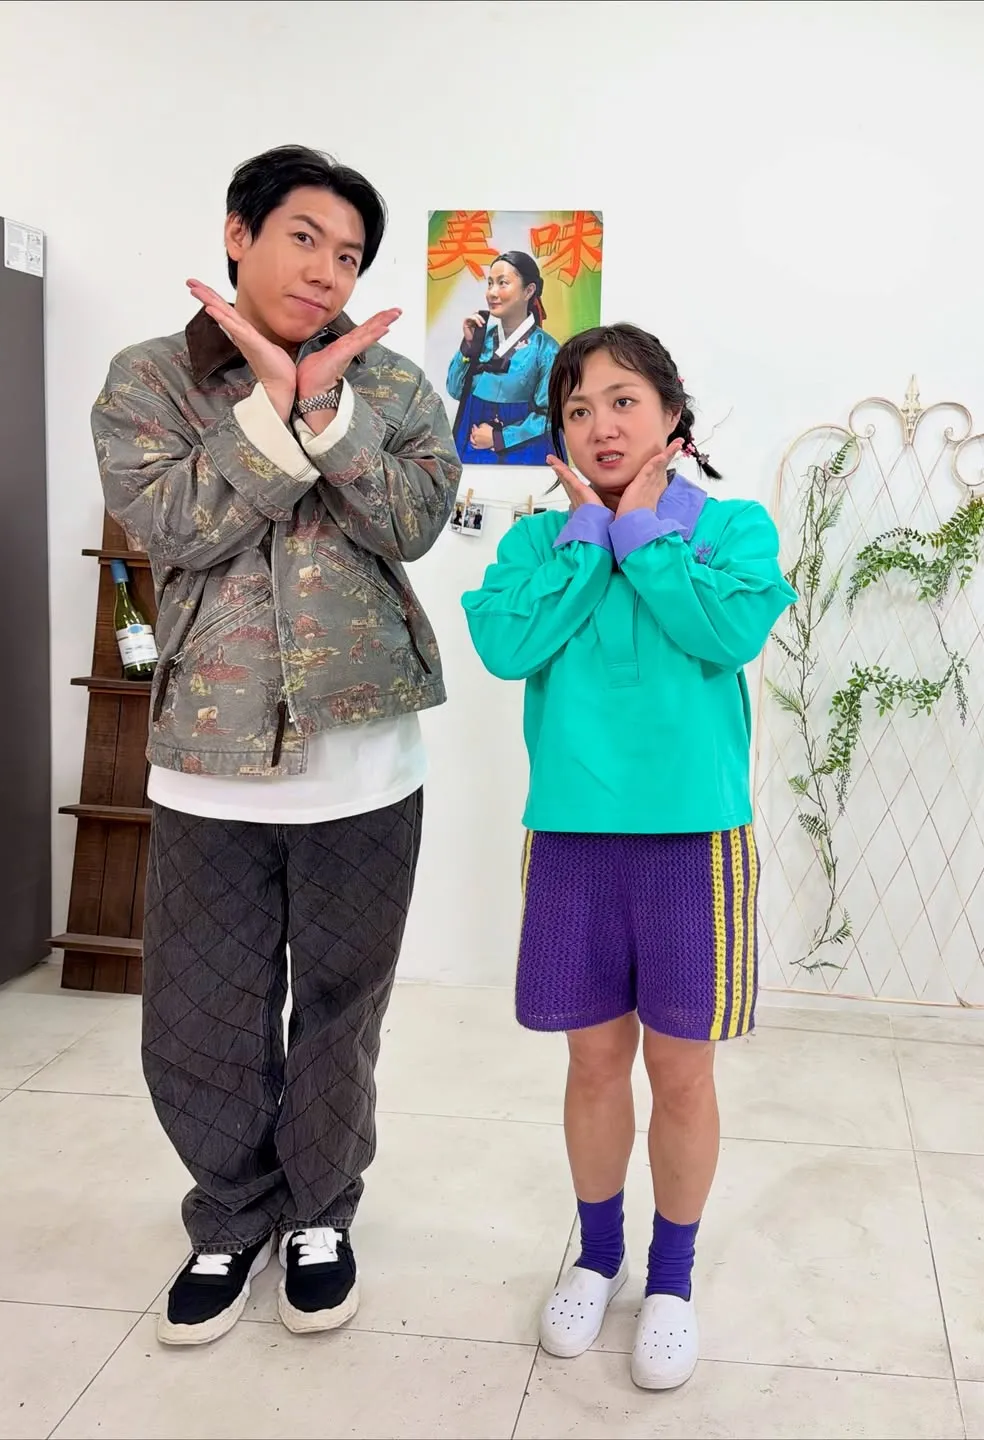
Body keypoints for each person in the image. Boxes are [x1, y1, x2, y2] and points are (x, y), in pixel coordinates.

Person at [91, 145, 461, 1348]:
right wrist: (265, 403)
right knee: (202, 1011)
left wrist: (331, 411)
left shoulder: (392, 382)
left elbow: (413, 519)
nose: (326, 270)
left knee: (343, 1012)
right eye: (304, 238)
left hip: (367, 759)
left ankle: (319, 1212)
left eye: (348, 254)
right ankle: (228, 1216)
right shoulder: (150, 379)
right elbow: (174, 524)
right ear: (239, 234)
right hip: (210, 761)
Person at [462, 324, 795, 1391]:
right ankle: (598, 1257)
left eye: (621, 401)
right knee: (593, 1063)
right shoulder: (538, 544)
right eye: (576, 409)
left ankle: (673, 1280)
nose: (599, 425)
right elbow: (506, 647)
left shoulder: (730, 529)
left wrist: (642, 531)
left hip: (695, 845)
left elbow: (724, 637)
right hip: (572, 841)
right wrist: (585, 538)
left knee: (682, 1072)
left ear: (670, 414)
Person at [446, 250, 560, 465]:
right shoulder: (481, 339)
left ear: (529, 290)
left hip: (524, 453)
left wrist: (498, 438)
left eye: (502, 283)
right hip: (472, 447)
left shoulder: (546, 349)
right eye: (490, 283)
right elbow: (455, 390)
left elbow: (551, 416)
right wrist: (468, 347)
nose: (492, 292)